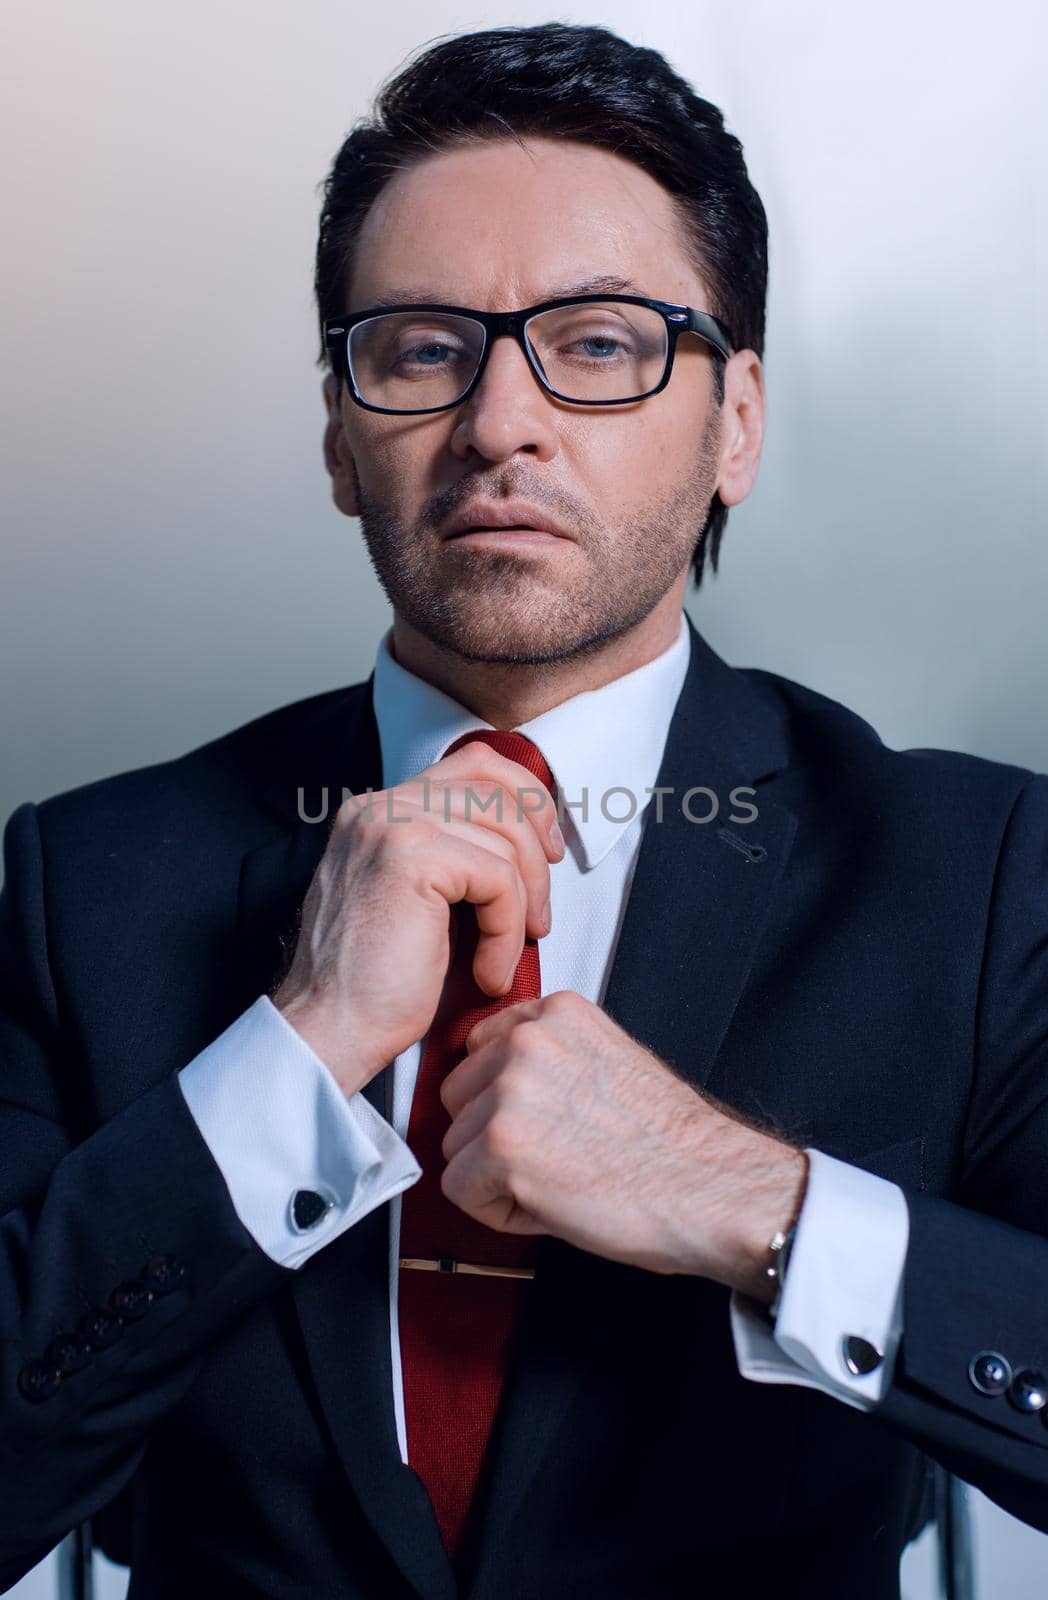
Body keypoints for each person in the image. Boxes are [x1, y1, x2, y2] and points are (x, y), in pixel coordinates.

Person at [2, 19, 1047, 1600]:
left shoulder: (974, 877)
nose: (501, 423)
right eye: (423, 347)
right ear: (343, 439)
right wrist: (282, 1064)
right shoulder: (84, 880)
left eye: (606, 341)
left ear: (736, 426)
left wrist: (744, 1199)